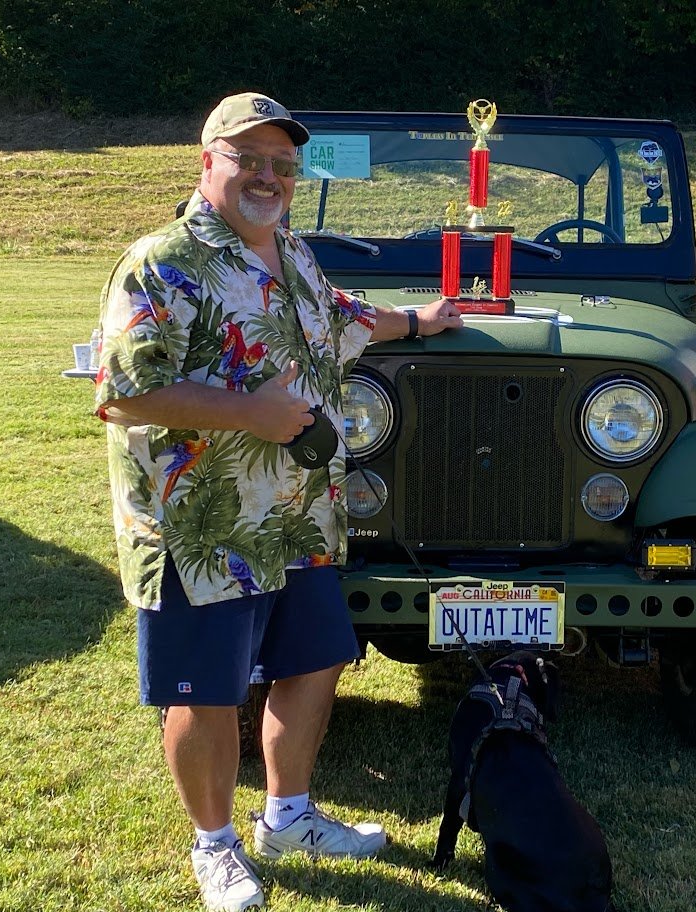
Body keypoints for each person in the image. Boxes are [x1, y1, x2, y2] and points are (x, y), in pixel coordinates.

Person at [94, 92, 463, 912]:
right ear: (207, 162)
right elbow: (124, 390)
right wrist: (250, 413)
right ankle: (215, 846)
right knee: (207, 691)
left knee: (314, 660)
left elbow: (339, 319)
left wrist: (418, 320)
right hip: (203, 524)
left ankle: (288, 816)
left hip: (300, 516)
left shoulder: (290, 252)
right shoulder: (162, 261)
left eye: (282, 165)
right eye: (247, 159)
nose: (267, 176)